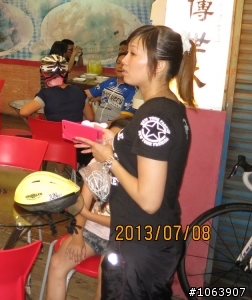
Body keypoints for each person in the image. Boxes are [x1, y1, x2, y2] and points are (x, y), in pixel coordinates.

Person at [76, 25, 195, 300]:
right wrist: (113, 141)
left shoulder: (154, 116)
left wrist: (108, 160)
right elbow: (144, 155)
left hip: (139, 242)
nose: (124, 61)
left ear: (159, 65)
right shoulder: (166, 106)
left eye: (133, 53)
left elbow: (149, 199)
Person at [44, 116, 131, 300]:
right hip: (92, 232)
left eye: (115, 141)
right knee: (57, 264)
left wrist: (86, 214)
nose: (109, 145)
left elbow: (119, 222)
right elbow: (81, 205)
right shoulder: (96, 164)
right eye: (107, 139)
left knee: (106, 279)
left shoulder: (133, 174)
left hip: (120, 239)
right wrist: (77, 238)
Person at [20, 54, 94, 172]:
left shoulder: (45, 94)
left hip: (52, 144)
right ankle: (68, 169)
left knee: (59, 135)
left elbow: (24, 112)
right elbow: (90, 117)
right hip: (76, 143)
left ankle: (60, 172)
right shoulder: (78, 91)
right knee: (66, 135)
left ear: (44, 73)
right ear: (65, 73)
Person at [86, 52, 138, 124]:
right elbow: (87, 94)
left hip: (113, 127)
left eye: (124, 64)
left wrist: (108, 126)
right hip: (97, 124)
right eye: (118, 63)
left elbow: (125, 116)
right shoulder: (109, 82)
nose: (120, 66)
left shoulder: (132, 89)